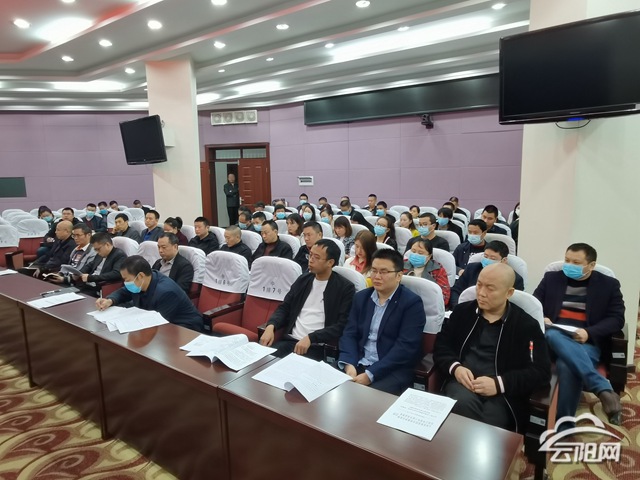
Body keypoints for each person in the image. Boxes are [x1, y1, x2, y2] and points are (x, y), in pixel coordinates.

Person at [434, 263, 550, 433]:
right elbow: (442, 346)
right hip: (463, 383)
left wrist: (499, 383)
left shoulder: (526, 326)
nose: (481, 293)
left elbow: (540, 371)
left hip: (504, 392)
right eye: (479, 284)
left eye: (490, 288)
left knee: (494, 420)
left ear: (509, 293)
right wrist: (456, 368)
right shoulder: (462, 312)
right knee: (462, 405)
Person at [533, 243, 625, 428]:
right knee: (553, 335)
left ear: (591, 265)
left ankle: (564, 425)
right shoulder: (551, 278)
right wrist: (542, 317)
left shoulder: (609, 285)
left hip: (585, 342)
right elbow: (534, 304)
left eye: (576, 262)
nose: (569, 265)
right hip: (552, 339)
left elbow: (617, 319)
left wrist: (589, 332)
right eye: (567, 260)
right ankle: (602, 388)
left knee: (566, 365)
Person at [338, 248, 425, 395]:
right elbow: (349, 333)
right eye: (374, 271)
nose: (377, 276)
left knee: (362, 399)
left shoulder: (411, 303)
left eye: (383, 272)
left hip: (390, 370)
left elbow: (405, 347)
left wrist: (370, 374)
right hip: (357, 362)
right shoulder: (361, 298)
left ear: (399, 276)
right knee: (324, 386)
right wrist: (349, 363)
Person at [260, 239, 355, 359]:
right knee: (262, 361)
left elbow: (341, 325)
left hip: (316, 346)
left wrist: (311, 338)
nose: (311, 260)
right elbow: (285, 307)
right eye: (310, 255)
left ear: (330, 262)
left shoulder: (345, 288)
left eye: (316, 257)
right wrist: (271, 325)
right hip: (290, 341)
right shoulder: (303, 280)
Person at [96, 255, 203, 332]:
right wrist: (110, 300)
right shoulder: (143, 281)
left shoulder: (166, 292)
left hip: (185, 328)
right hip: (160, 324)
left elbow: (156, 323)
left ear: (140, 276)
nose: (125, 283)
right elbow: (124, 291)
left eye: (127, 279)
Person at [449, 240, 524, 307]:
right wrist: (458, 308)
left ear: (504, 260)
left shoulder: (515, 279)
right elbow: (455, 291)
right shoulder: (471, 269)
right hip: (466, 309)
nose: (487, 260)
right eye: (485, 256)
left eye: (492, 258)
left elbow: (513, 303)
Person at [404, 238, 450, 307]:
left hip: (427, 305)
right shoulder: (401, 265)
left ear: (429, 256)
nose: (415, 255)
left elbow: (444, 297)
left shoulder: (437, 269)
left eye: (420, 253)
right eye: (413, 251)